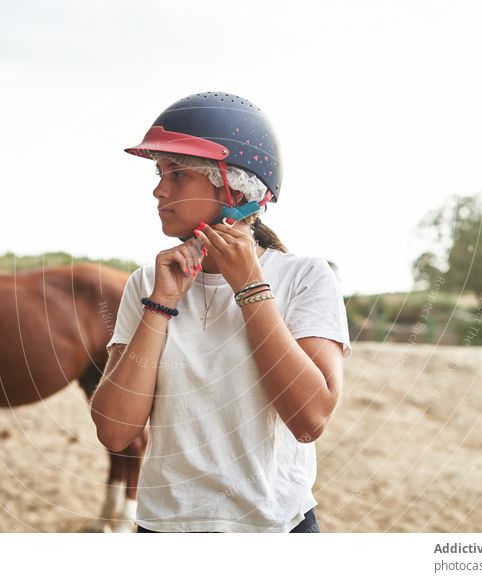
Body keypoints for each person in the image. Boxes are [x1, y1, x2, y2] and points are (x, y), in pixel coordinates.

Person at [91, 91, 351, 533]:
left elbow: (309, 421)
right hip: (162, 532)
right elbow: (115, 431)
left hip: (275, 532)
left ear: (235, 186)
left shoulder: (306, 278)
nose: (158, 188)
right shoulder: (147, 284)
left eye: (177, 174)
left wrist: (251, 288)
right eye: (160, 172)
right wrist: (162, 304)